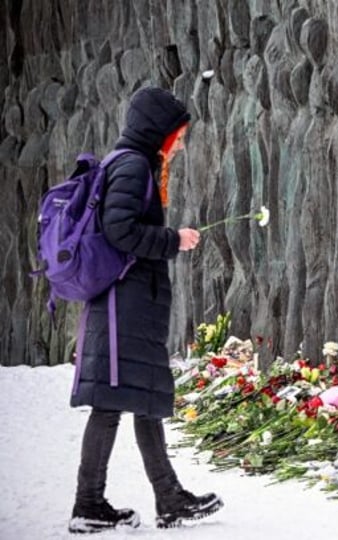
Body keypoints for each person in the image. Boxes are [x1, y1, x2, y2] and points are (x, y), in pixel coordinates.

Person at [68, 86, 222, 533]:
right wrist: (173, 240)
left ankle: (168, 498)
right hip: (124, 303)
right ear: (159, 130)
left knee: (145, 397)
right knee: (111, 402)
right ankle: (88, 504)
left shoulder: (134, 163)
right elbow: (119, 230)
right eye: (179, 134)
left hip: (131, 302)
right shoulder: (133, 166)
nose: (182, 142)